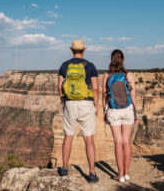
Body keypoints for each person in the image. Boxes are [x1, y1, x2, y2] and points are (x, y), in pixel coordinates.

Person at [57, 40, 100, 183]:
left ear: (72, 51)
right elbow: (95, 88)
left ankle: (64, 168)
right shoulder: (90, 66)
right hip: (86, 103)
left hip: (70, 103)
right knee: (89, 138)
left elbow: (60, 88)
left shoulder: (64, 65)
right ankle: (92, 173)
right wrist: (96, 105)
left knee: (68, 136)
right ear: (84, 51)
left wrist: (64, 102)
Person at [102, 49, 137, 183]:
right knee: (126, 141)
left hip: (113, 110)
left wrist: (104, 112)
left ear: (111, 60)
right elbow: (133, 96)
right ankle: (127, 173)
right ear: (123, 59)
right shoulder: (129, 75)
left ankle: (120, 174)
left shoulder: (107, 75)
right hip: (128, 109)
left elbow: (104, 96)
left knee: (118, 142)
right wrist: (135, 114)